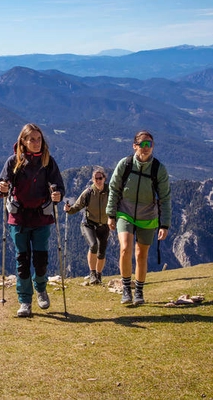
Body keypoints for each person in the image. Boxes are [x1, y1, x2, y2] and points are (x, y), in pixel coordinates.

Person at [0, 123, 65, 318]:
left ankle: (40, 289)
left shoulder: (48, 161)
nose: (36, 143)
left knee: (40, 259)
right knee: (22, 260)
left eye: (39, 139)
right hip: (18, 218)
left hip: (41, 218)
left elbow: (59, 185)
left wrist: (58, 193)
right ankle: (25, 300)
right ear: (23, 142)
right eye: (32, 139)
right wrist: (2, 188)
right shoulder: (13, 162)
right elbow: (0, 186)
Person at [106, 130, 172, 305]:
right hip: (124, 213)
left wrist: (164, 224)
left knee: (141, 254)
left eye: (149, 144)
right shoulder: (125, 164)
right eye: (142, 144)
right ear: (134, 146)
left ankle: (139, 292)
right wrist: (111, 214)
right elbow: (113, 189)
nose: (146, 147)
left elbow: (165, 198)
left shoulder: (159, 169)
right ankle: (127, 289)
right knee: (125, 248)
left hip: (148, 216)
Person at [64, 166, 111, 285]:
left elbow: (118, 204)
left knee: (102, 252)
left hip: (104, 225)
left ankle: (99, 276)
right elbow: (77, 206)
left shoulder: (110, 192)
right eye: (96, 178)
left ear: (105, 178)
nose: (98, 180)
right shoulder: (88, 192)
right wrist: (69, 210)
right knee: (94, 245)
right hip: (88, 224)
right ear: (93, 180)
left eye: (100, 178)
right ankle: (92, 273)